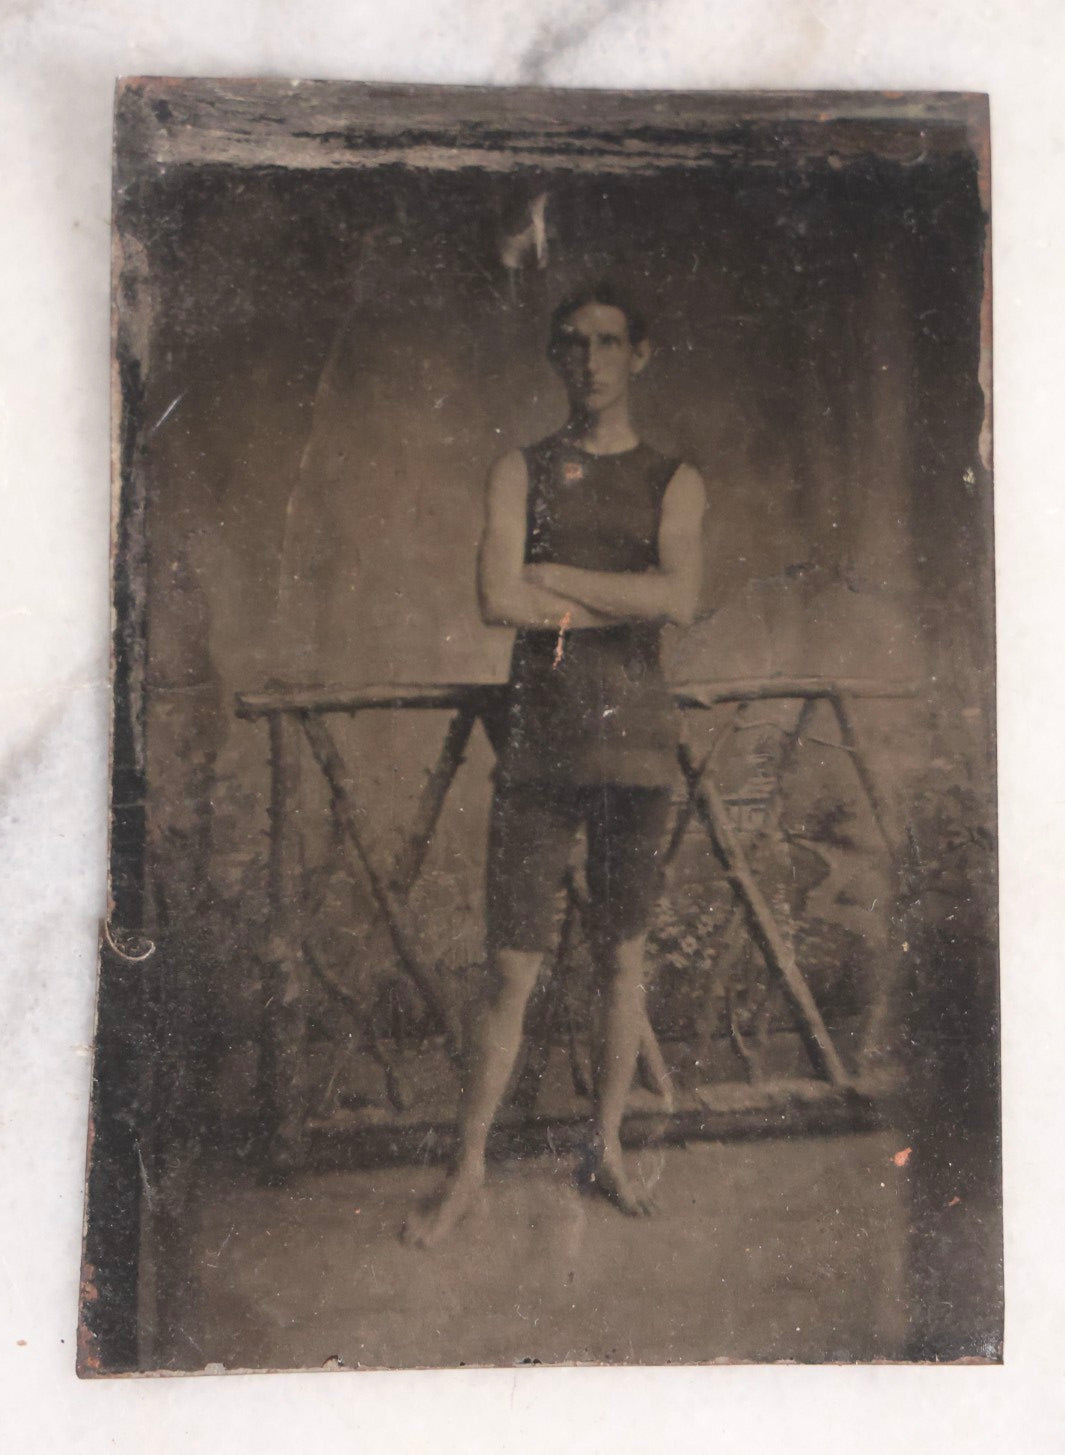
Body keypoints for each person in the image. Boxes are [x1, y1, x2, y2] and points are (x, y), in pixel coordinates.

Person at [405, 281, 706, 1247]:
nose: (591, 361)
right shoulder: (518, 470)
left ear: (640, 355)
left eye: (609, 343)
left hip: (638, 750)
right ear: (554, 357)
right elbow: (499, 599)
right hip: (541, 744)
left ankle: (607, 1147)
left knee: (623, 960)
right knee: (509, 969)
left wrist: (558, 577)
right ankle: (465, 1174)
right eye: (572, 344)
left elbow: (684, 598)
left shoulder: (675, 479)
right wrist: (630, 596)